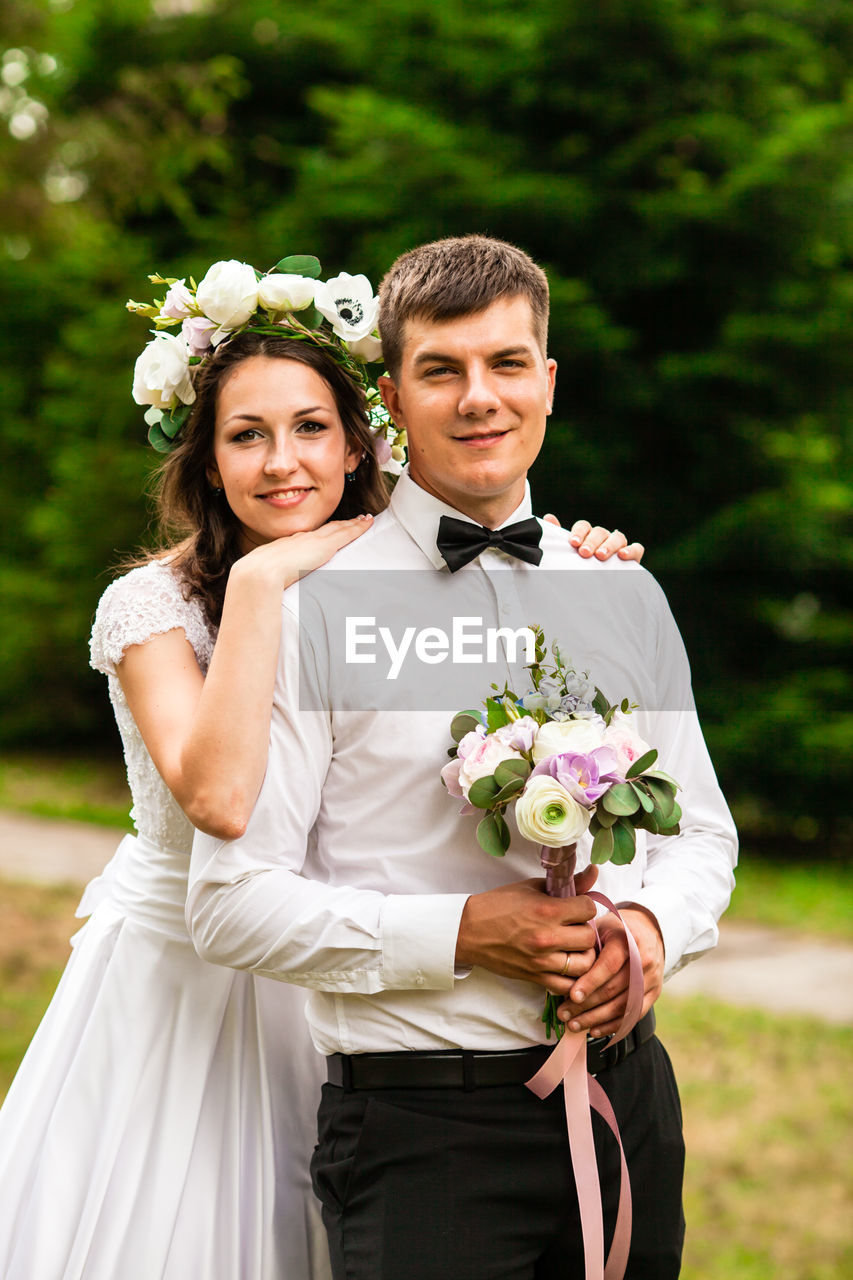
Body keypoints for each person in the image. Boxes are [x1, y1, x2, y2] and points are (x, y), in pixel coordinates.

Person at [0, 251, 638, 1280]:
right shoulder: (150, 609)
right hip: (180, 995)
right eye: (245, 434)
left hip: (341, 983)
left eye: (308, 427)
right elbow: (216, 796)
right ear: (206, 460)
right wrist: (260, 582)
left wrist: (580, 551)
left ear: (356, 442)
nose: (280, 460)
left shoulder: (397, 572)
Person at [187, 235, 738, 1280]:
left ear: (549, 380)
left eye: (506, 363)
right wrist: (462, 931)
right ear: (392, 395)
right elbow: (228, 900)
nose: (479, 396)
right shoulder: (312, 608)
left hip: (630, 1102)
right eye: (442, 370)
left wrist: (654, 930)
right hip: (419, 1129)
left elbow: (701, 831)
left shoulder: (622, 589)